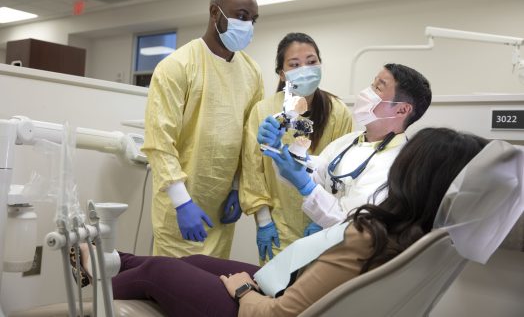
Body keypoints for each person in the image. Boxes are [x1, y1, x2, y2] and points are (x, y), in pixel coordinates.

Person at [76, 128, 488, 317]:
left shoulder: (371, 235)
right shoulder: (429, 234)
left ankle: (84, 291)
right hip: (296, 283)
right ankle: (107, 262)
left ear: (412, 174)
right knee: (193, 262)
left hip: (266, 308)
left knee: (162, 268)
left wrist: (242, 292)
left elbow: (280, 315)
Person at [142, 0, 264, 259]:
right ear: (214, 12)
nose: (247, 26)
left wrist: (237, 188)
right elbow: (160, 141)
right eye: (242, 16)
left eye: (252, 20)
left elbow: (249, 137)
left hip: (221, 209)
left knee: (210, 289)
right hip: (180, 208)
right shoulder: (178, 66)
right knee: (172, 289)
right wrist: (181, 201)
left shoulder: (252, 72)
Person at [260, 63, 432, 229]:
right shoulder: (350, 140)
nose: (366, 93)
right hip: (326, 242)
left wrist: (306, 186)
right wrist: (282, 150)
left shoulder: (396, 165)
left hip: (354, 253)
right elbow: (318, 172)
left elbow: (350, 222)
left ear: (402, 110)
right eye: (372, 85)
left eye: (378, 88)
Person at [240, 32, 352, 263]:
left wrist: (320, 220)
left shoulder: (338, 111)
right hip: (278, 224)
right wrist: (263, 221)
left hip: (323, 224)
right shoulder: (263, 111)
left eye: (312, 62)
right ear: (282, 74)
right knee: (274, 292)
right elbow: (253, 171)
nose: (305, 69)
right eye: (295, 64)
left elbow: (341, 170)